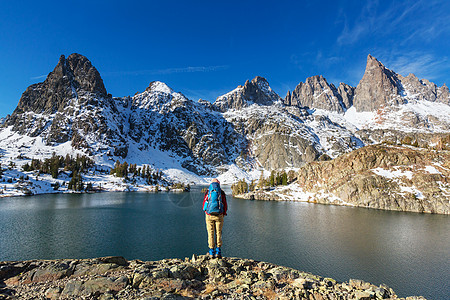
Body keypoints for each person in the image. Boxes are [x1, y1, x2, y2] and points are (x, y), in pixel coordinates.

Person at [202, 178, 227, 258]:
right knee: (218, 233)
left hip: (209, 216)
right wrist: (223, 213)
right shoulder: (221, 192)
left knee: (210, 233)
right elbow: (225, 204)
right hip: (219, 215)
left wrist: (206, 212)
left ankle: (211, 252)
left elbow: (204, 204)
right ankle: (218, 251)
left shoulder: (208, 192)